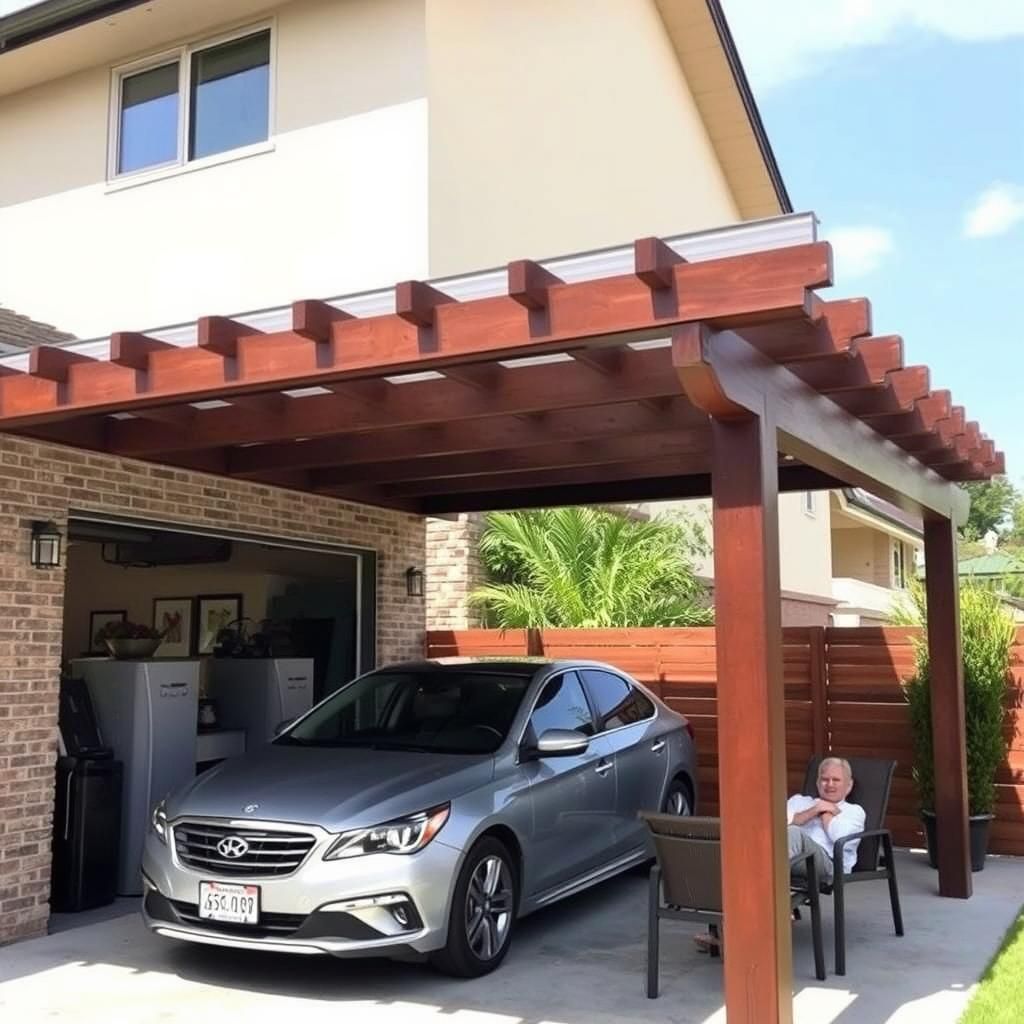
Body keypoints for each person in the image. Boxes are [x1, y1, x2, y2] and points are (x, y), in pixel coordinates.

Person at [787, 756, 866, 885]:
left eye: (836, 780)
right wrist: (813, 810)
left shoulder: (855, 811)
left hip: (829, 865)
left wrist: (825, 812)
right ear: (818, 783)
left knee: (794, 833)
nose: (830, 784)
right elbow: (776, 824)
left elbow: (839, 837)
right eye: (825, 779)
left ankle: (766, 887)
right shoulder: (799, 801)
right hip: (794, 858)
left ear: (849, 785)